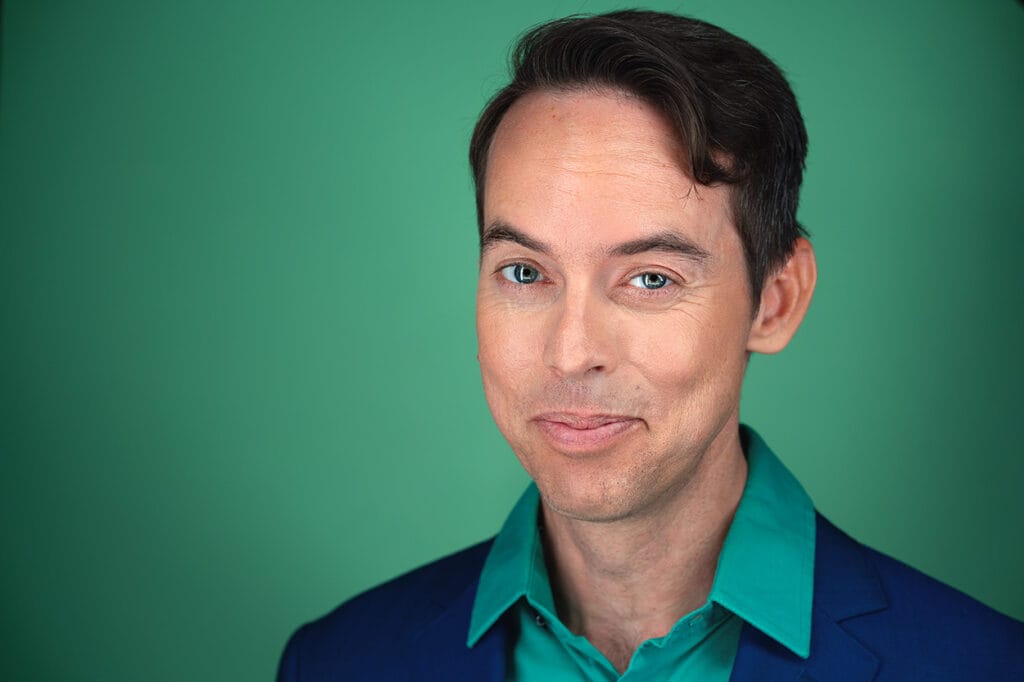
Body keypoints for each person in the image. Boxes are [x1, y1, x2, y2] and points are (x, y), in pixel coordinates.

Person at [277, 10, 1024, 681]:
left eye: (651, 279)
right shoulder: (338, 661)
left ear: (776, 299)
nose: (570, 354)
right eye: (525, 271)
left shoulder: (987, 667)